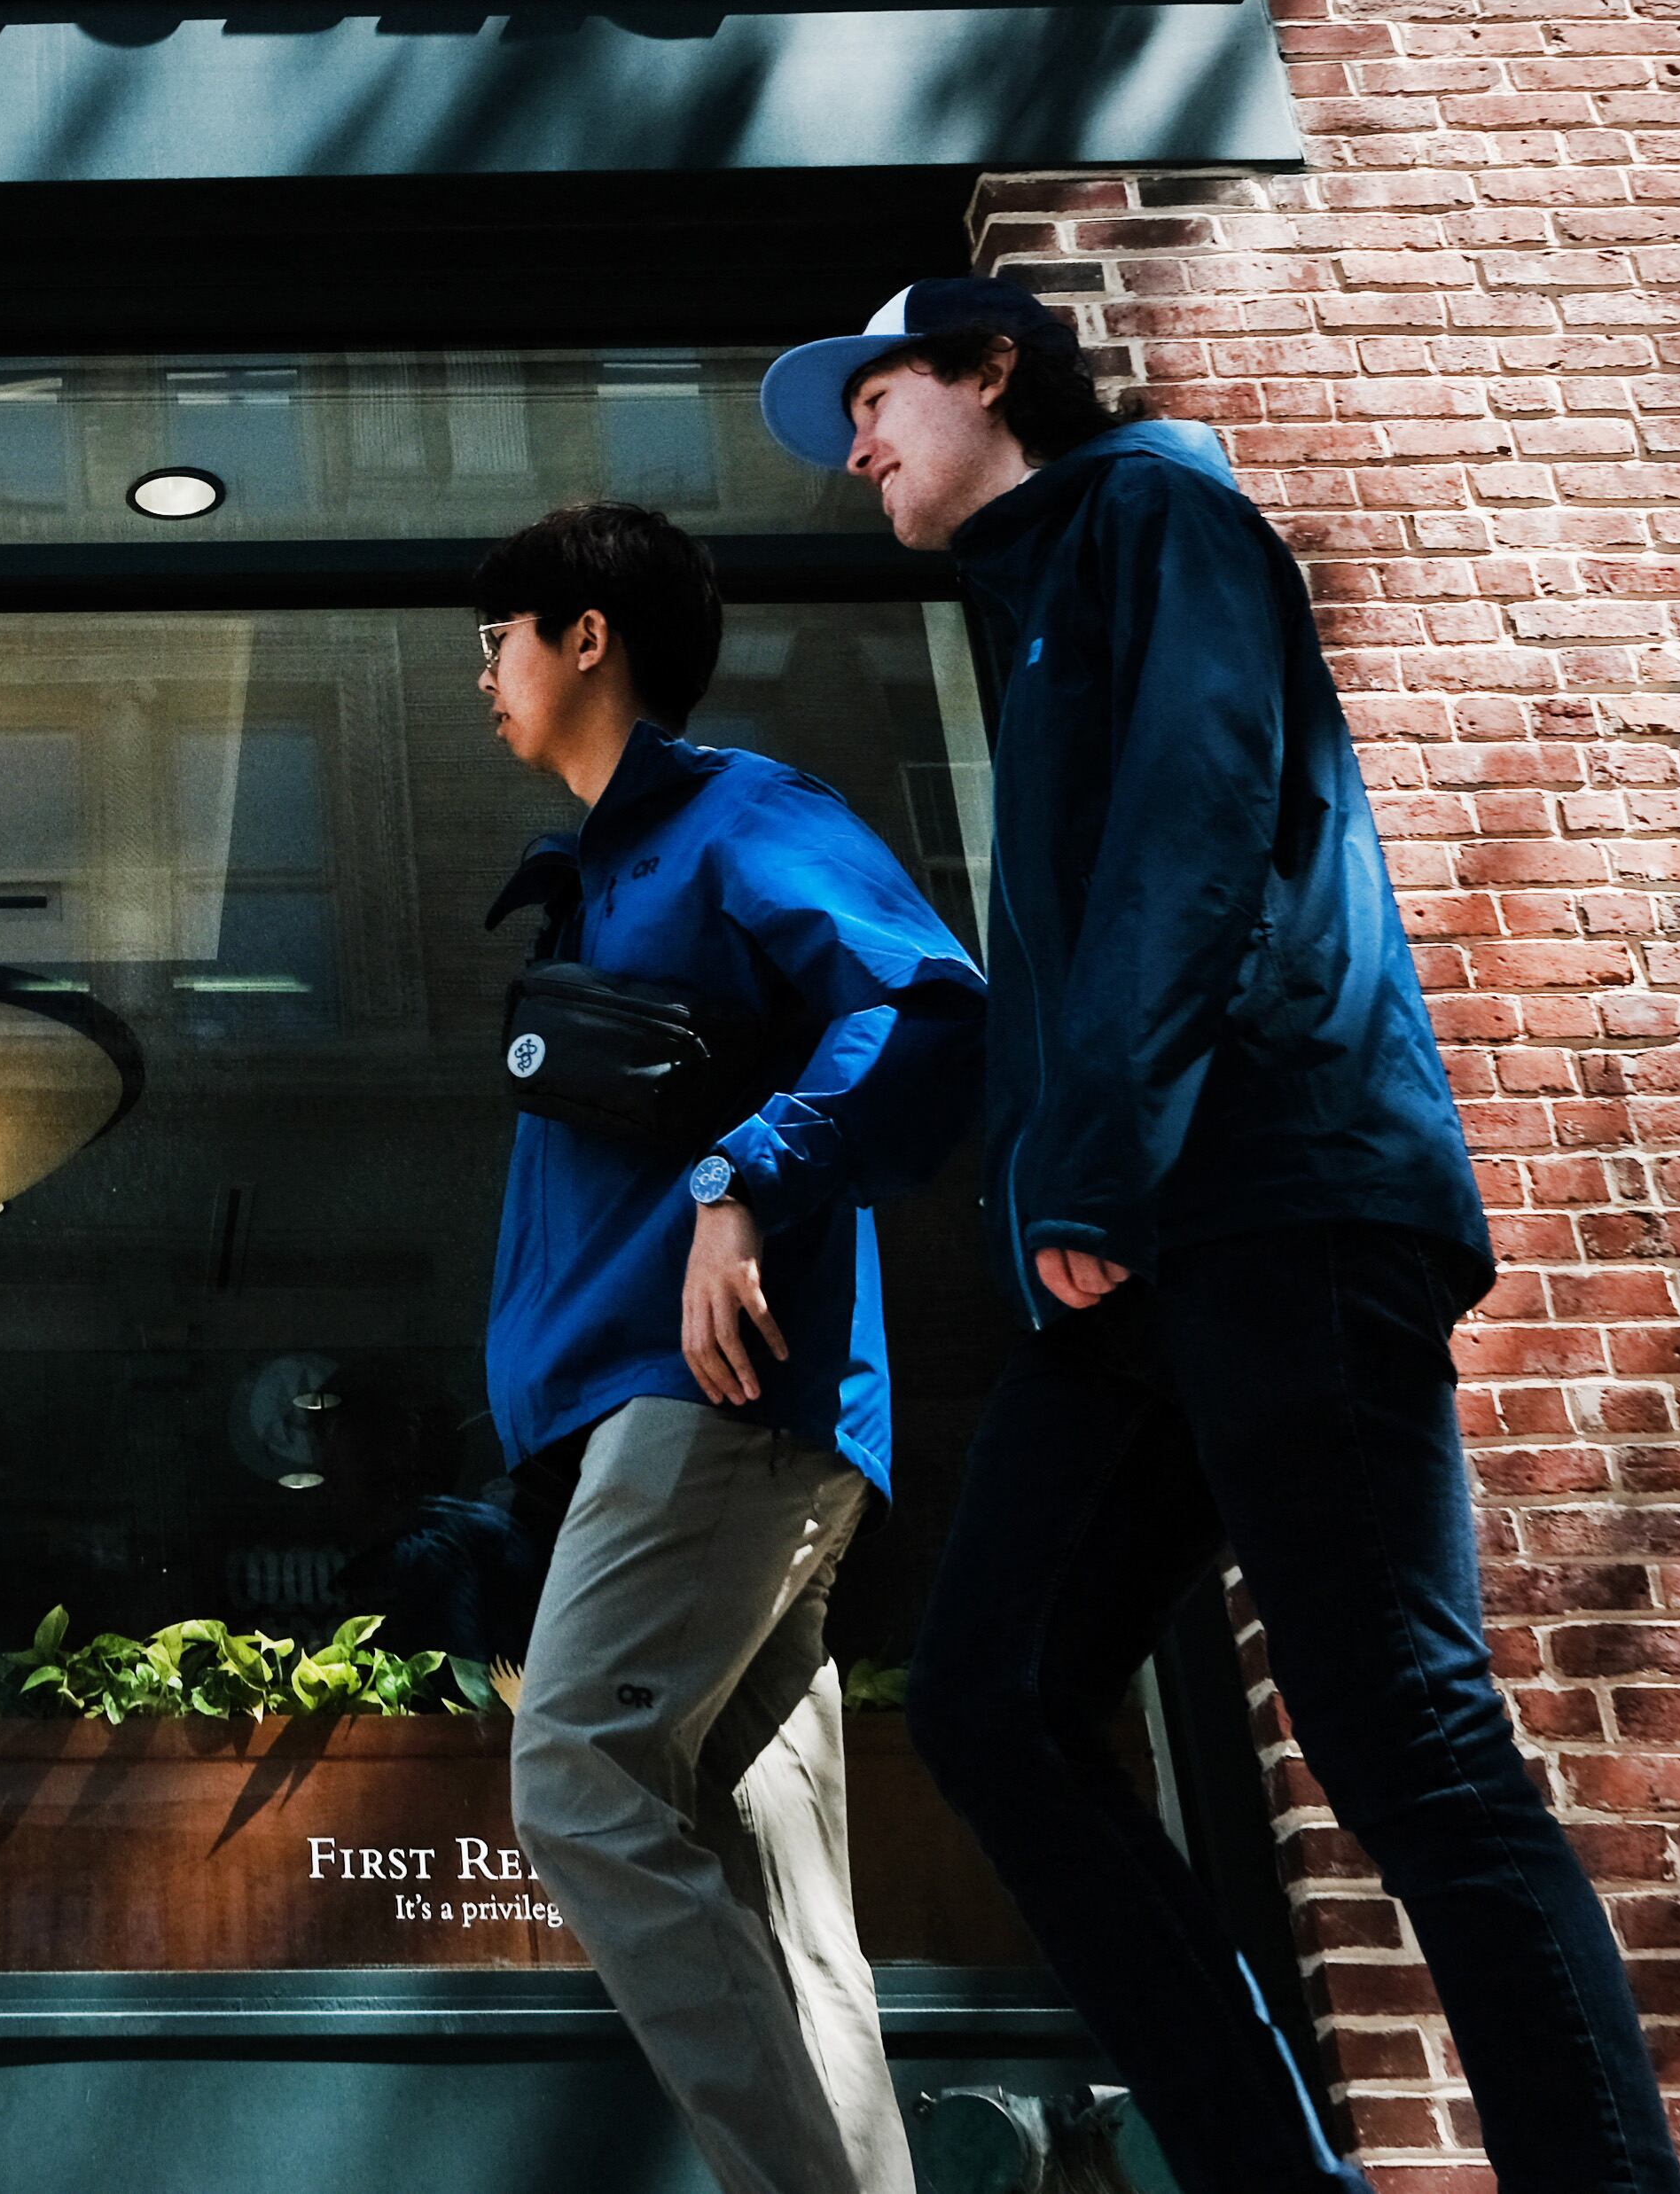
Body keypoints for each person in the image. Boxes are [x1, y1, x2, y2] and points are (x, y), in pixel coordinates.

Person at [762, 277, 1680, 2194]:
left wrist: (1090, 1164)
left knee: (1407, 1735)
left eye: (873, 395)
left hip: (1274, 1197)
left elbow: (1201, 822)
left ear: (991, 366)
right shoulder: (1041, 601)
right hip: (1143, 1257)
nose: (854, 447)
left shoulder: (1160, 515)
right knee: (1000, 1696)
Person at [471, 502, 983, 2194]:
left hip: (714, 1414)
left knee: (579, 1787)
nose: (483, 671)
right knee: (779, 1891)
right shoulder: (594, 884)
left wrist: (742, 1180)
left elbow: (921, 1004)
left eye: (502, 637)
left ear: (586, 637)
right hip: (657, 1436)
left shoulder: (739, 819)